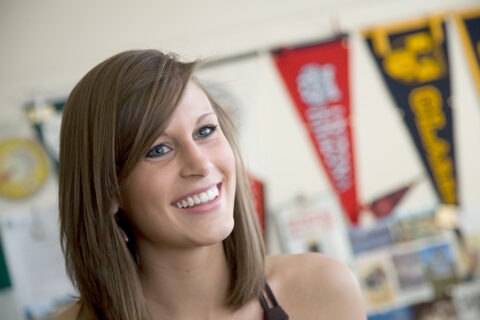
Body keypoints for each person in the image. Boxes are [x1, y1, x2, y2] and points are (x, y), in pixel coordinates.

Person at [55, 49, 366, 320]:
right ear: (108, 191)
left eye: (205, 131)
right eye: (158, 149)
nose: (201, 164)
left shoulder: (323, 288)